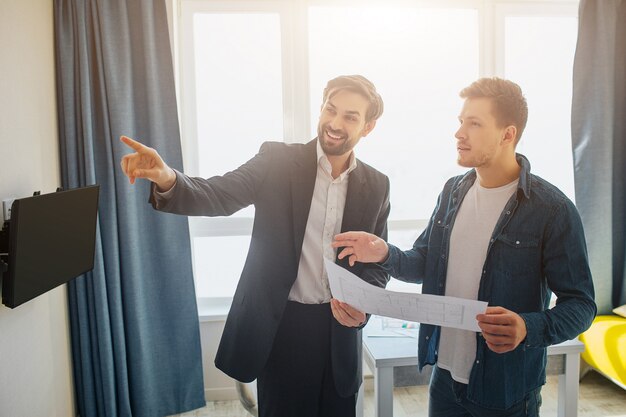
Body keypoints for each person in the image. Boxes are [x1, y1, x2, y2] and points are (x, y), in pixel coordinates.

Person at [119, 75, 390, 417]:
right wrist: (168, 178)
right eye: (330, 110)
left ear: (368, 127)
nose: (335, 123)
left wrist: (363, 306)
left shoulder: (377, 185)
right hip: (282, 329)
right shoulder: (277, 160)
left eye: (350, 116)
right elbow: (219, 194)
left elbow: (378, 262)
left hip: (339, 335)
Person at [332, 77, 596, 417]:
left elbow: (582, 305)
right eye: (460, 122)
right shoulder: (453, 190)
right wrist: (384, 253)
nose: (459, 133)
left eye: (474, 124)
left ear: (507, 134)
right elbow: (425, 262)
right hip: (444, 379)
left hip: (505, 390)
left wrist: (528, 327)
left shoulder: (553, 210)